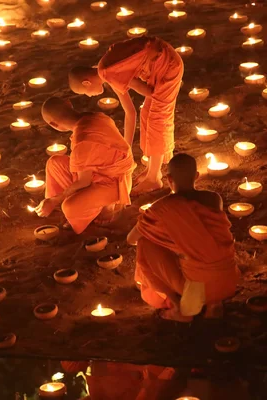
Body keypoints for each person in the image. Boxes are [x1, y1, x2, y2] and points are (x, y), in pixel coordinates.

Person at [127, 154, 239, 322]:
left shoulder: (163, 208)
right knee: (191, 253)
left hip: (198, 290)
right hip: (229, 282)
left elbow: (131, 239)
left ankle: (177, 306)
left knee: (144, 243)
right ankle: (214, 305)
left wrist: (160, 233)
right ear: (197, 176)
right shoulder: (214, 199)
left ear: (169, 179)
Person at [69, 36, 184, 193]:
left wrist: (132, 81)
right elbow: (130, 112)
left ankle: (153, 180)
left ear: (86, 83)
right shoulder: (106, 72)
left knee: (157, 117)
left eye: (85, 93)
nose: (90, 96)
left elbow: (148, 92)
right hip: (159, 65)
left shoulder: (107, 72)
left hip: (168, 66)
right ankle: (153, 169)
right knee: (146, 112)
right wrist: (126, 150)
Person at [35, 97, 136, 233]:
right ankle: (74, 204)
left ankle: (108, 206)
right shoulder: (99, 116)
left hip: (114, 184)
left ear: (54, 125)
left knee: (70, 207)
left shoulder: (82, 139)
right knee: (54, 163)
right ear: (69, 103)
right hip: (97, 172)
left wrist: (54, 200)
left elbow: (84, 182)